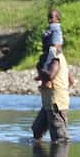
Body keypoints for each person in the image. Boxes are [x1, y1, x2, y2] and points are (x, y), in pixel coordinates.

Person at [32, 10, 74, 142]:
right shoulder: (49, 58)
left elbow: (50, 75)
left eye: (45, 42)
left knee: (59, 137)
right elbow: (71, 80)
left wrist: (41, 70)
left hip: (56, 102)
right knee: (37, 130)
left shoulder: (55, 58)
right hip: (48, 101)